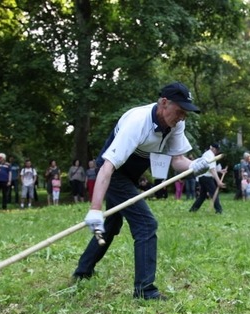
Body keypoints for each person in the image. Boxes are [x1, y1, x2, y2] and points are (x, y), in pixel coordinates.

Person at [72, 81, 209, 300]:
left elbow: (178, 160)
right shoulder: (137, 122)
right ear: (164, 103)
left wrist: (195, 166)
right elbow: (107, 167)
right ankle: (145, 290)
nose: (182, 117)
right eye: (179, 111)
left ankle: (83, 271)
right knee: (146, 224)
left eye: (185, 113)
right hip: (114, 173)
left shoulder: (175, 124)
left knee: (112, 223)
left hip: (131, 175)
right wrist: (95, 208)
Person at [189, 143, 226, 213]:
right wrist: (218, 181)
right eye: (216, 150)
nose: (217, 152)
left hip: (203, 177)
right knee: (214, 193)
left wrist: (219, 171)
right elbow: (212, 170)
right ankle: (219, 210)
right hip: (206, 177)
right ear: (212, 148)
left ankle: (193, 209)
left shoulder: (208, 154)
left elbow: (210, 168)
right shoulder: (210, 155)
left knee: (202, 195)